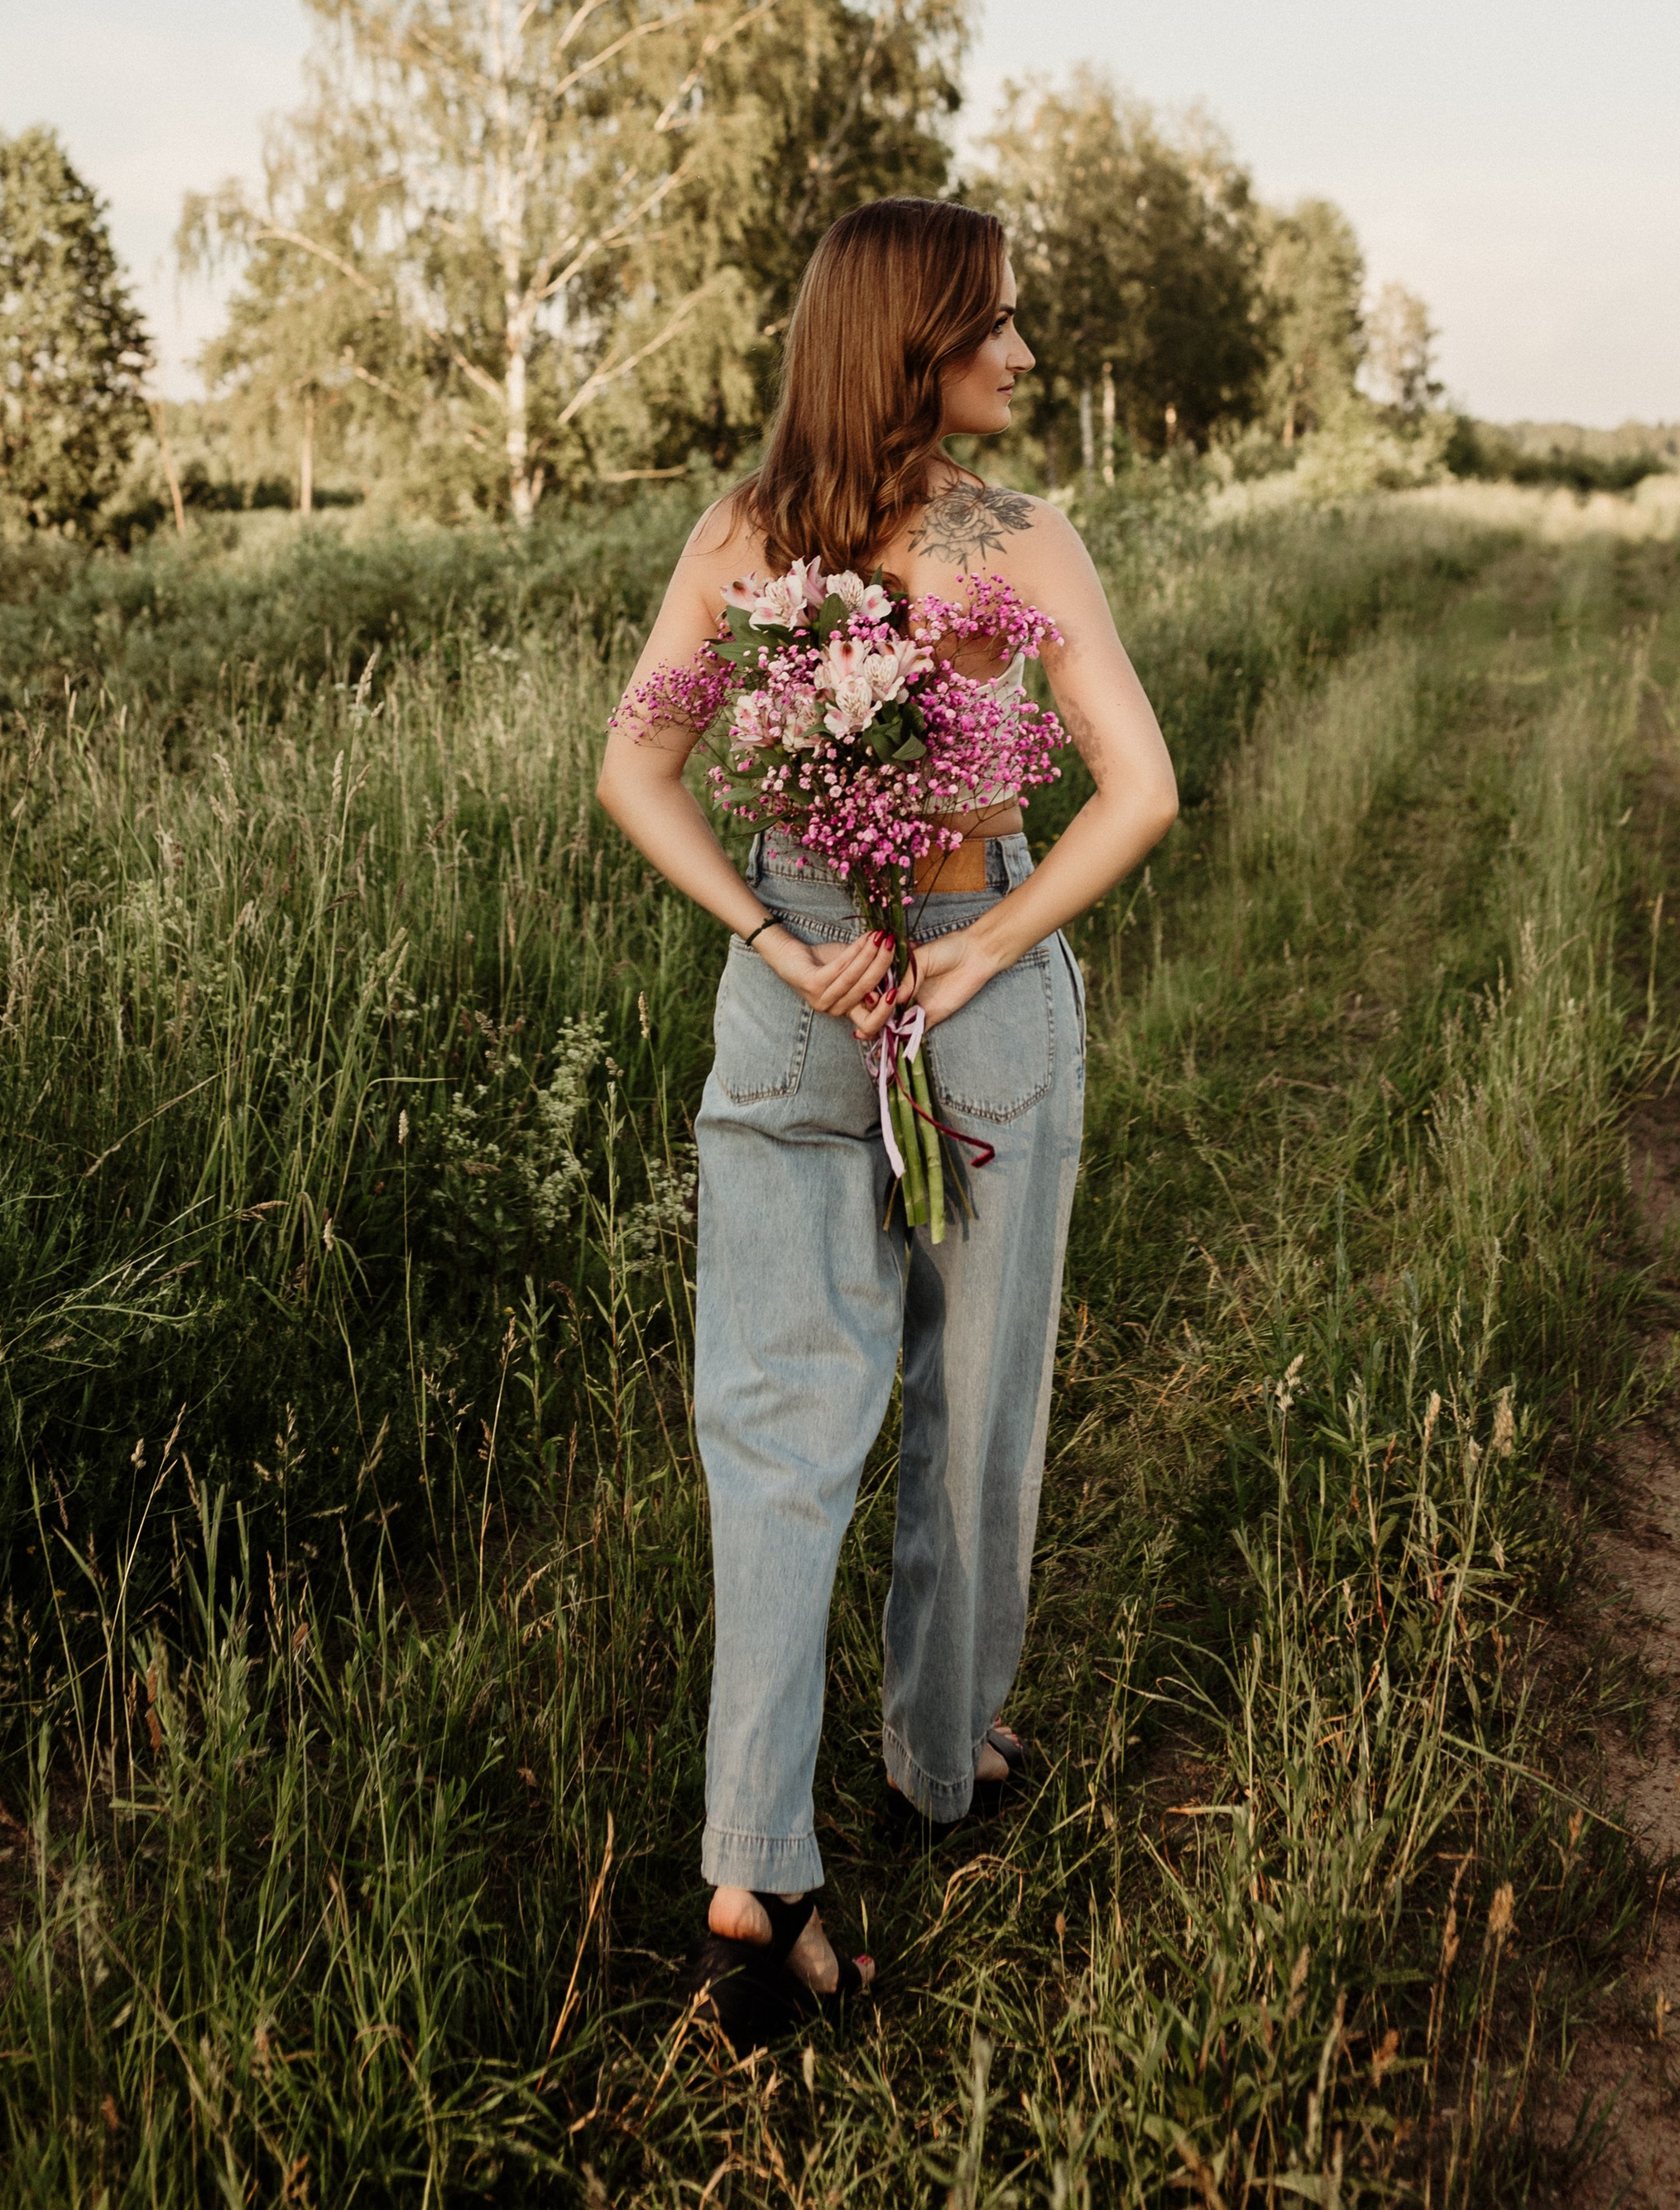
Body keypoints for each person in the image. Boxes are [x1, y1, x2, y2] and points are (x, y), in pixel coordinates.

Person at [596, 199, 1178, 2047]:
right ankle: (938, 1757)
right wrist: (981, 943)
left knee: (771, 1426)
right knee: (972, 1399)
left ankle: (753, 1877)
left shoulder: (741, 537)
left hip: (792, 989)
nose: (1021, 354)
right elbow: (1138, 790)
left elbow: (634, 764)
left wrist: (779, 935)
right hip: (971, 994)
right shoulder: (1012, 541)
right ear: (915, 345)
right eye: (994, 325)